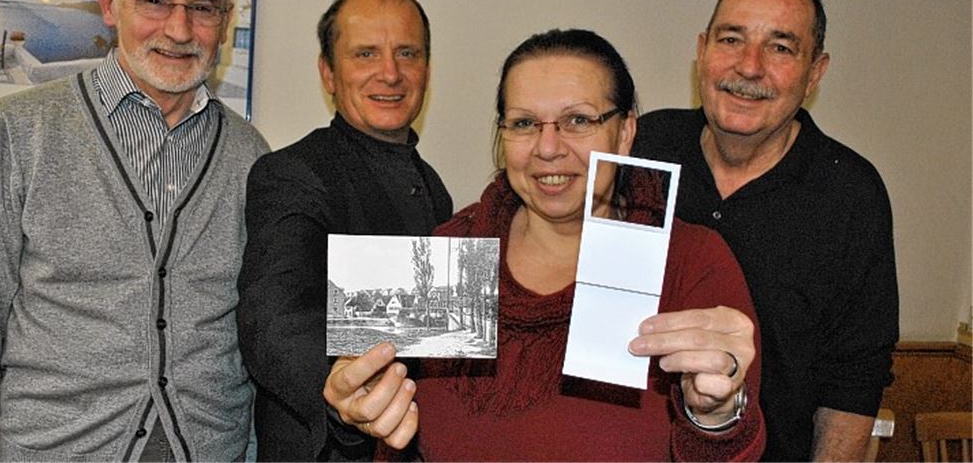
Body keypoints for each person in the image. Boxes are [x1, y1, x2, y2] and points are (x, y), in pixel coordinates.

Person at [322, 29, 766, 460]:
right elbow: (393, 434)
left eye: (578, 120)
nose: (548, 148)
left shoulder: (690, 263)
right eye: (524, 123)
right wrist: (354, 414)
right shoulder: (451, 250)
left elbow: (724, 452)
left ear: (625, 132)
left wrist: (715, 414)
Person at [0, 0, 269, 460]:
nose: (180, 30)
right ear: (108, 3)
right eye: (155, 1)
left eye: (203, 8)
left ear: (226, 20)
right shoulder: (15, 133)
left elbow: (252, 339)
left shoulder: (250, 153)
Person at [633, 0, 899, 461]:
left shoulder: (850, 195)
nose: (749, 67)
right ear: (702, 50)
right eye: (731, 39)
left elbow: (854, 380)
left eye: (780, 48)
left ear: (815, 72)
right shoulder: (643, 147)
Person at [236, 0, 453, 461]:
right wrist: (336, 382)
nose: (391, 73)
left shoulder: (435, 186)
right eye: (365, 54)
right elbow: (274, 317)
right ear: (328, 74)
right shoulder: (291, 172)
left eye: (408, 53)